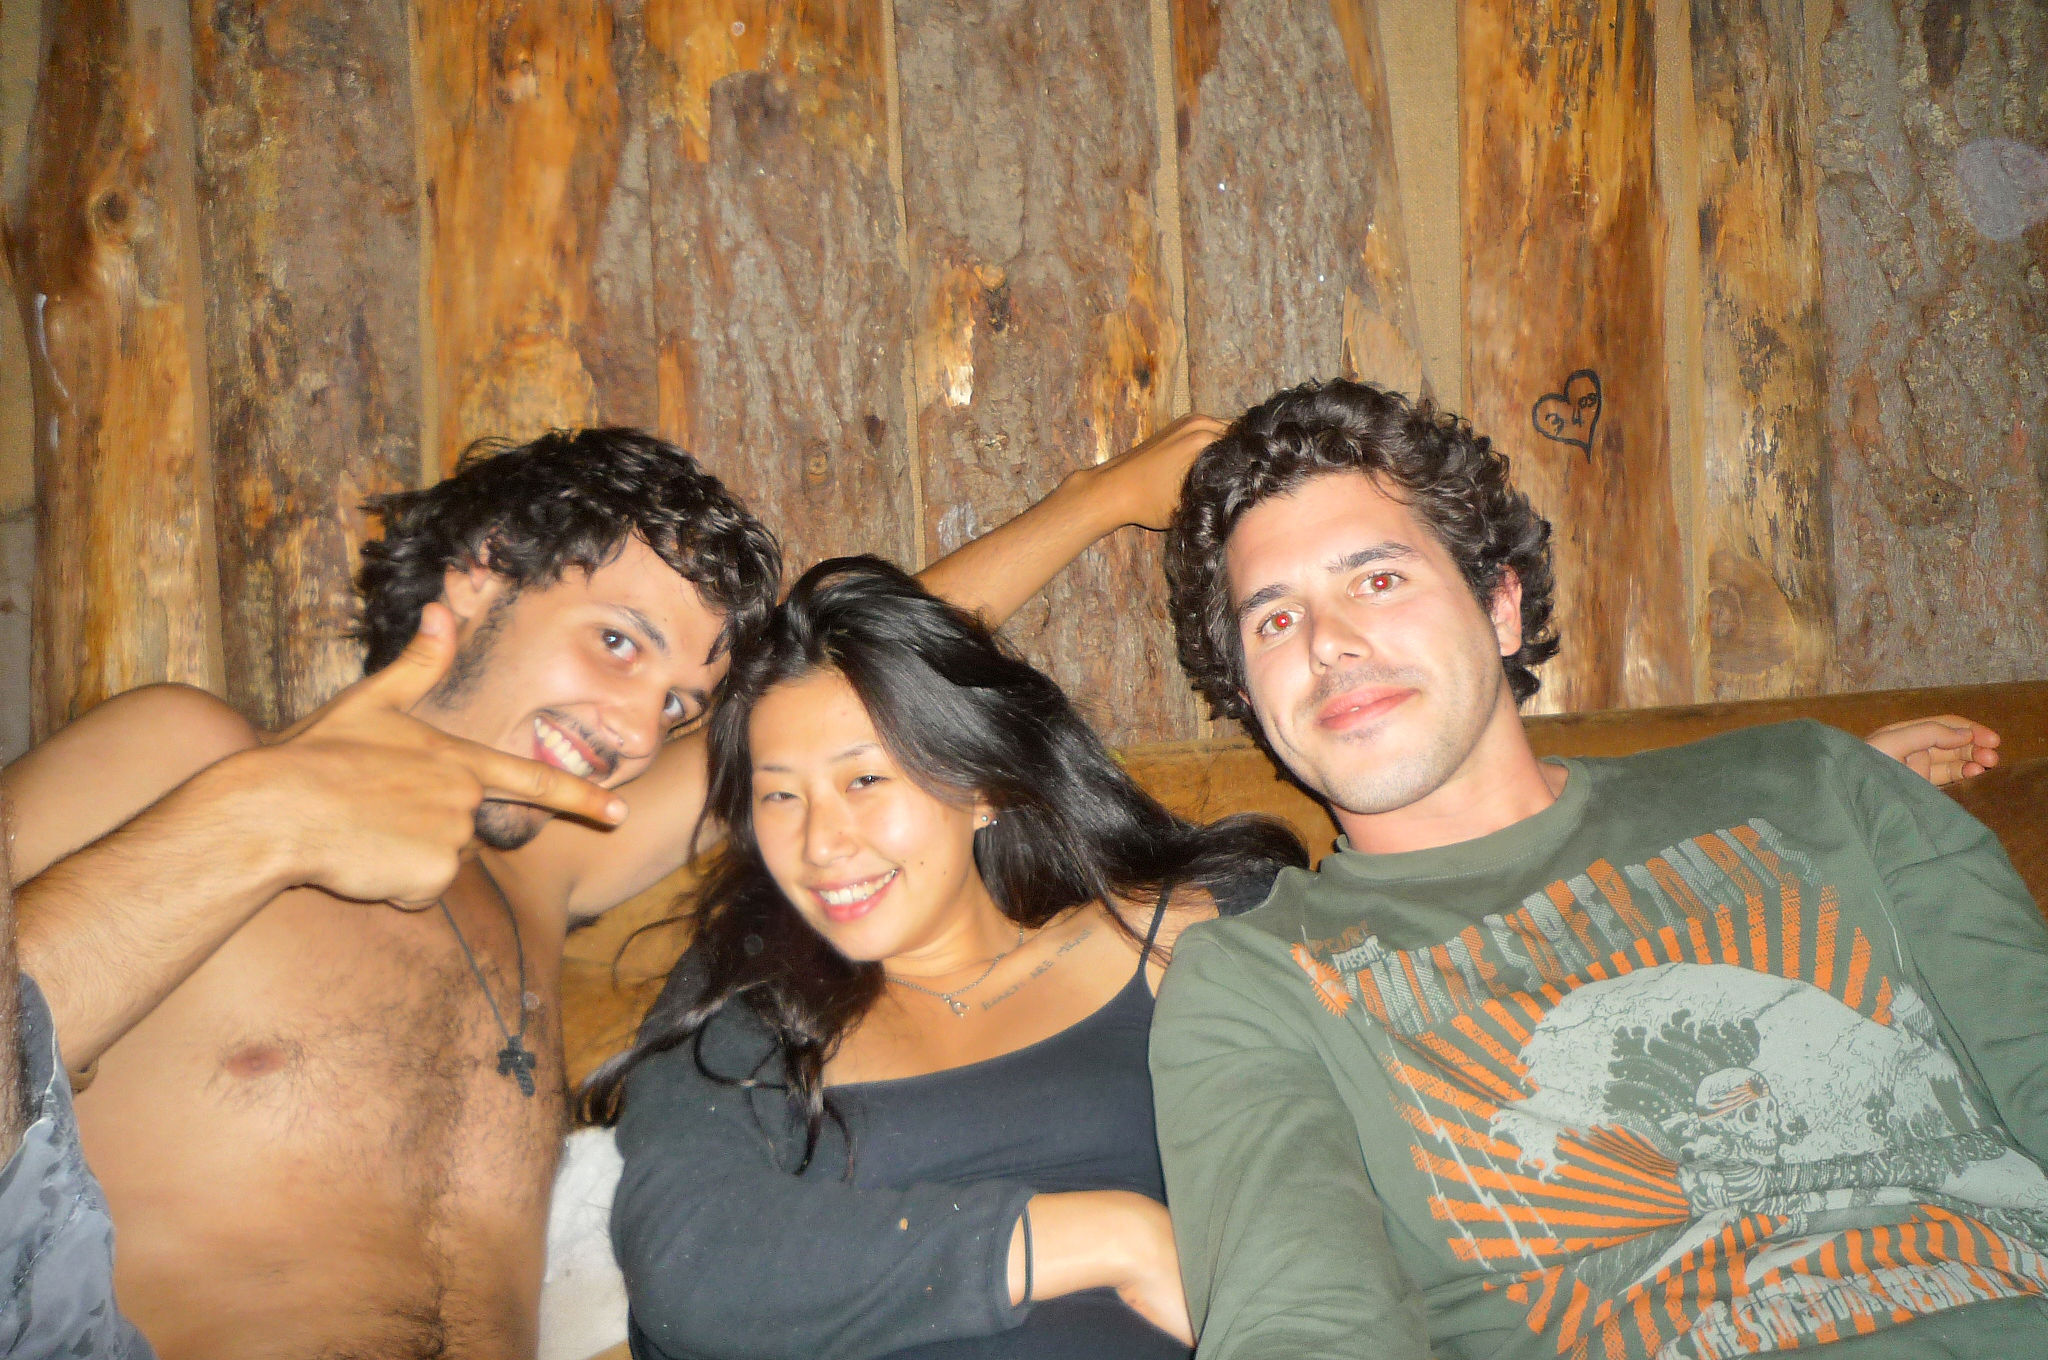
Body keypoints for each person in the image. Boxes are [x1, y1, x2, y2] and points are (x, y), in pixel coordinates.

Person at [0, 418, 1220, 1360]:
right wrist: (257, 824)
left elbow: (865, 698)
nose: (639, 730)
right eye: (619, 642)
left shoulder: (548, 861)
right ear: (479, 578)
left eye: (678, 702)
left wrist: (1100, 500)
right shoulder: (189, 755)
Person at [1148, 378, 2039, 1359]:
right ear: (1246, 693)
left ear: (1498, 606)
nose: (1328, 644)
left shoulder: (1815, 781)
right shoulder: (1256, 983)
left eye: (1378, 580)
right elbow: (1301, 1327)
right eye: (1274, 621)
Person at [583, 557, 1305, 1360]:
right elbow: (691, 1262)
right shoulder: (746, 999)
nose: (820, 843)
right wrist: (1115, 1238)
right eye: (780, 795)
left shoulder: (1181, 930)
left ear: (980, 782)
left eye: (864, 779)